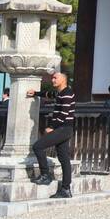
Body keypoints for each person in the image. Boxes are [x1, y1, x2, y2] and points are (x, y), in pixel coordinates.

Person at [30, 71, 76, 199]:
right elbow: (49, 94)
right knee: (64, 158)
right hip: (65, 129)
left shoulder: (67, 93)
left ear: (63, 80)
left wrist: (52, 127)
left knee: (38, 146)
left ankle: (45, 175)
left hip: (63, 128)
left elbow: (64, 114)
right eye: (52, 78)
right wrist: (36, 93)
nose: (53, 80)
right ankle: (66, 189)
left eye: (55, 78)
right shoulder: (61, 93)